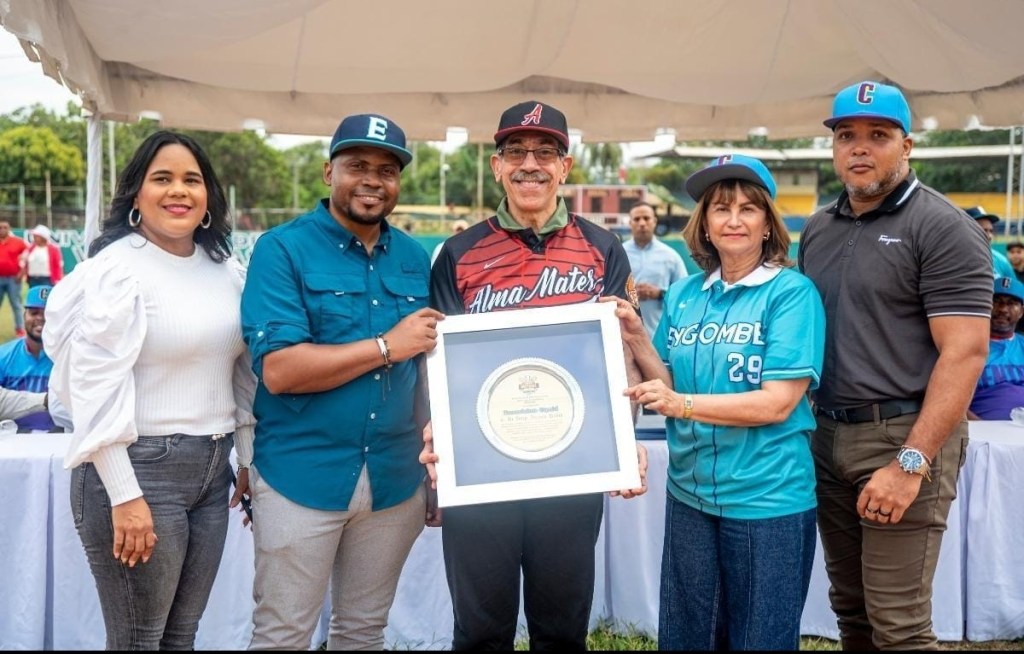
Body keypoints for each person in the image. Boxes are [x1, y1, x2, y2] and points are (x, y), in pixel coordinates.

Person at [423, 100, 648, 651]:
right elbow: (438, 363)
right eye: (516, 152)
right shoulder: (457, 252)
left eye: (545, 152)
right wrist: (436, 439)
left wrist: (626, 436)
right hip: (480, 471)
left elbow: (618, 353)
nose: (531, 164)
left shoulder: (602, 247)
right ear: (496, 165)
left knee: (562, 629)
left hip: (572, 466)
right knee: (480, 630)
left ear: (565, 167)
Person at [41, 130, 256, 650]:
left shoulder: (227, 271)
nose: (178, 191)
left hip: (212, 471)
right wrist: (124, 493)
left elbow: (241, 371)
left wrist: (244, 458)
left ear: (208, 196)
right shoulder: (115, 270)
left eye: (191, 179)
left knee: (181, 636)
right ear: (136, 193)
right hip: (138, 471)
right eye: (162, 179)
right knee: (139, 639)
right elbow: (92, 387)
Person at [798, 80, 992, 650]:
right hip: (829, 433)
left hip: (904, 435)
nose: (860, 148)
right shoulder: (819, 226)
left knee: (899, 624)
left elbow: (966, 351)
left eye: (878, 135)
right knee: (852, 613)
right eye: (847, 136)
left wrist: (911, 463)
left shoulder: (943, 227)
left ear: (906, 146)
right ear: (834, 147)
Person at [240, 113, 443, 650]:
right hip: (300, 475)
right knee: (283, 634)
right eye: (357, 166)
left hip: (395, 478)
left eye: (387, 169)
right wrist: (384, 347)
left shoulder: (414, 257)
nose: (373, 180)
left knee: (363, 631)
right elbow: (279, 370)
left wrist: (446, 463)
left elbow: (428, 369)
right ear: (328, 172)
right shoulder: (281, 250)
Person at [605, 155, 824, 651]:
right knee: (687, 637)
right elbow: (665, 383)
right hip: (690, 495)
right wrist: (637, 334)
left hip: (768, 499)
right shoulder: (684, 294)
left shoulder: (791, 294)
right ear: (703, 221)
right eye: (720, 208)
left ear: (768, 222)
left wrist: (680, 403)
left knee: (759, 639)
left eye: (748, 209)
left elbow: (775, 404)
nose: (733, 219)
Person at [621, 201, 687, 337]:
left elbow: (685, 294)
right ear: (630, 223)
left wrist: (660, 293)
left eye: (646, 218)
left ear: (654, 221)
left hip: (660, 337)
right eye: (637, 219)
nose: (642, 223)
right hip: (625, 337)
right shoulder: (618, 254)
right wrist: (629, 294)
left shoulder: (671, 256)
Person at [0, 284, 56, 432]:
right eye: (34, 312)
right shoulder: (3, 355)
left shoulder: (71, 357)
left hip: (60, 441)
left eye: (47, 313)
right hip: (12, 441)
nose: (40, 318)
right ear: (24, 315)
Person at [968, 276, 1024, 420]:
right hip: (980, 432)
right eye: (997, 301)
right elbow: (950, 399)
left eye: (1011, 303)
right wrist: (984, 429)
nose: (1003, 309)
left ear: (1021, 312)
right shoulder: (966, 345)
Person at [964, 206, 1016, 280]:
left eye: (991, 231)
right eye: (984, 230)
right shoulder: (951, 258)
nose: (989, 236)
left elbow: (1014, 290)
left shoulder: (1001, 261)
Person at [0, 221, 27, 337]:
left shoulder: (18, 242)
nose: (2, 229)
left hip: (13, 279)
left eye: (5, 227)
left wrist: (22, 272)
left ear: (9, 229)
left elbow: (29, 256)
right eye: (0, 227)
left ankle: (20, 329)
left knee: (16, 304)